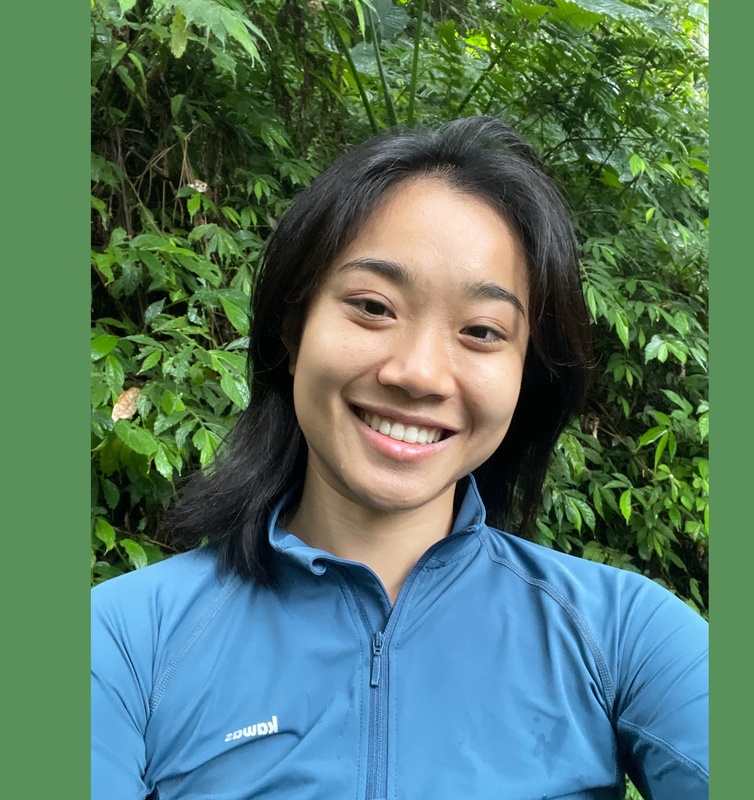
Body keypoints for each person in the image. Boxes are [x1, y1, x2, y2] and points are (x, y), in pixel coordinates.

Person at [91, 117, 708, 800]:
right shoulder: (122, 640)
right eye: (373, 306)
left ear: (525, 375)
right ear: (293, 331)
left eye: (482, 331)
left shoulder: (624, 634)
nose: (418, 374)